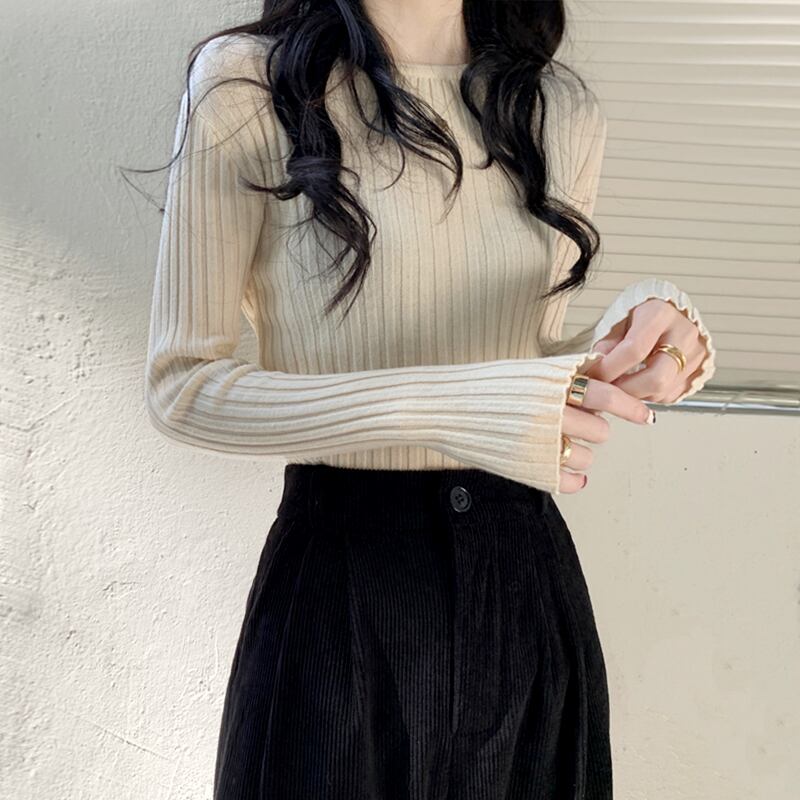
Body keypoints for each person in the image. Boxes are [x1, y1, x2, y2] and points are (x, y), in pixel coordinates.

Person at [143, 2, 716, 797]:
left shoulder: (554, 107)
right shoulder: (249, 85)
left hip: (524, 587)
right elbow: (182, 385)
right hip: (342, 584)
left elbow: (524, 360)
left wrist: (640, 330)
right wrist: (456, 407)